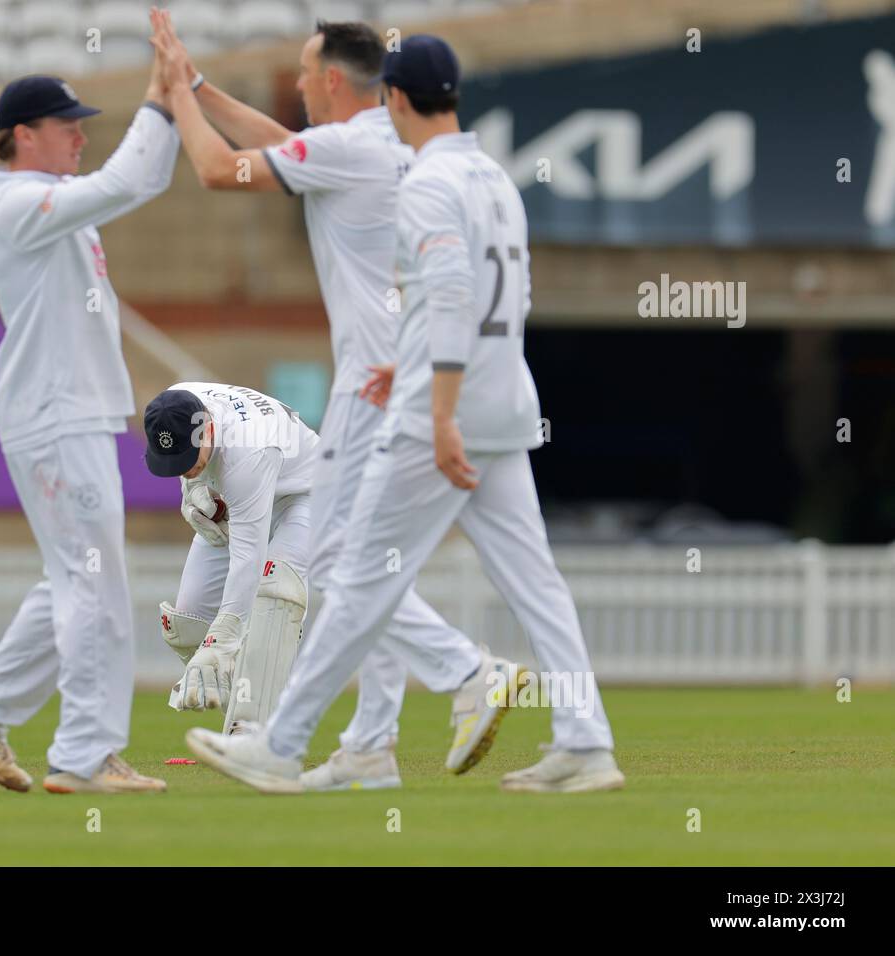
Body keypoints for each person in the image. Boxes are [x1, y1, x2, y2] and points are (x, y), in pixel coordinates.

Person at [185, 35, 624, 795]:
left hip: (438, 412)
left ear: (393, 98)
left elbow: (451, 292)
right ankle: (585, 742)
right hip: (503, 394)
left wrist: (440, 404)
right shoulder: (492, 175)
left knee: (355, 573)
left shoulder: (427, 183)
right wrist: (420, 359)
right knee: (535, 581)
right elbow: (504, 301)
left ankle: (283, 746)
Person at [150, 10, 514, 790]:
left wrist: (178, 94)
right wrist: (206, 85)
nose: (299, 86)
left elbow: (220, 169)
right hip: (405, 370)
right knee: (370, 561)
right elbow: (279, 144)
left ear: (333, 80)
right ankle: (372, 746)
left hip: (371, 385)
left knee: (349, 567)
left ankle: (462, 674)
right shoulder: (383, 138)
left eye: (307, 73)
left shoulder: (347, 146)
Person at [0, 64, 178, 795]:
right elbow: (127, 182)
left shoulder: (55, 199)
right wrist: (160, 102)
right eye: (66, 125)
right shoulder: (15, 206)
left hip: (72, 412)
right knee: (92, 586)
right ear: (21, 136)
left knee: (74, 581)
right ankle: (85, 755)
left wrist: (170, 105)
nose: (81, 135)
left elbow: (145, 181)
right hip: (53, 413)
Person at [144, 383, 319, 736]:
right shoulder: (175, 405)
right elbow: (198, 473)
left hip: (309, 495)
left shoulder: (248, 450)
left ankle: (255, 732)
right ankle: (255, 689)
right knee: (188, 622)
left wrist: (223, 637)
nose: (185, 468)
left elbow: (248, 559)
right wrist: (195, 491)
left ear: (208, 428)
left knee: (274, 595)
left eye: (188, 460)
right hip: (243, 500)